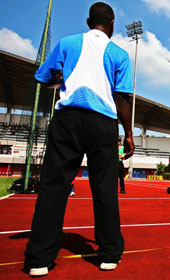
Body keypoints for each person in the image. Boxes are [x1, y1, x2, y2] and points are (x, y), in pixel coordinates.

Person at [24, 2, 134, 276]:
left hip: (67, 120)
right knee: (105, 189)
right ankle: (109, 254)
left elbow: (42, 76)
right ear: (112, 24)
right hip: (102, 123)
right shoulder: (118, 53)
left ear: (88, 21)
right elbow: (122, 98)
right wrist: (129, 133)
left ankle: (39, 259)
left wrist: (60, 79)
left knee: (53, 187)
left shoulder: (67, 43)